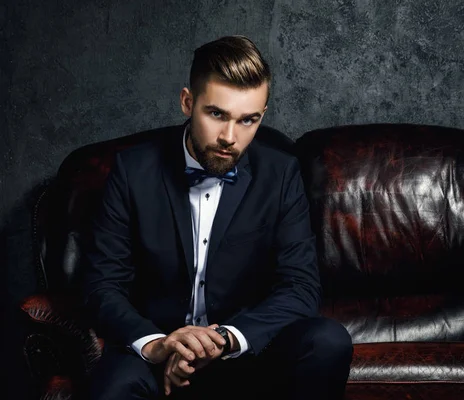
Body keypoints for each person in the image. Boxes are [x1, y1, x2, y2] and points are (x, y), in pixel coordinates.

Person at [83, 35, 353, 399]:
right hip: (157, 351)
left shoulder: (281, 173)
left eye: (248, 120)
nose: (230, 137)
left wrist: (223, 340)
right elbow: (103, 285)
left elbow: (300, 287)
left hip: (241, 353)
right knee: (111, 389)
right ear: (187, 102)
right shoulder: (132, 171)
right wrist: (159, 344)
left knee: (328, 340)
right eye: (216, 114)